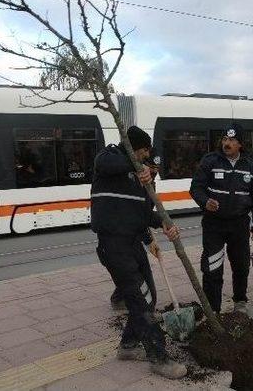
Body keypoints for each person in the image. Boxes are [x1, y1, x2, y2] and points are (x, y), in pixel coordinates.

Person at [91, 126, 186, 379]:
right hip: (113, 245)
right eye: (143, 151)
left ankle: (128, 346)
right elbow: (106, 162)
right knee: (140, 301)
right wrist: (136, 166)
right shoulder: (109, 159)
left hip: (133, 243)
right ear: (132, 147)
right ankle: (158, 357)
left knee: (149, 297)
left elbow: (144, 214)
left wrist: (164, 223)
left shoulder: (139, 180)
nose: (145, 156)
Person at [189, 123, 253, 314]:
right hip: (214, 224)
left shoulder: (250, 167)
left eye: (232, 140)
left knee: (241, 266)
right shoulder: (210, 161)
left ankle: (240, 301)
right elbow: (195, 188)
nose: (227, 143)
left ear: (240, 144)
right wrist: (205, 201)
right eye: (225, 139)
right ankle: (213, 309)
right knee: (212, 266)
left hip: (239, 225)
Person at [110, 148, 161, 312]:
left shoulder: (151, 183)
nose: (153, 173)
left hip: (137, 234)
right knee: (133, 271)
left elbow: (145, 215)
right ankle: (120, 299)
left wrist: (149, 240)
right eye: (151, 168)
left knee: (136, 271)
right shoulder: (131, 181)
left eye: (156, 171)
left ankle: (122, 296)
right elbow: (135, 215)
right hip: (122, 237)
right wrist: (147, 238)